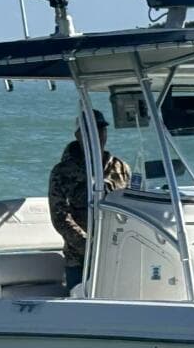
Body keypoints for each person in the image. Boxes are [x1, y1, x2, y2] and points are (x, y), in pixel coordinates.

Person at [47, 109, 131, 290]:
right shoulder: (62, 172)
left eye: (101, 129)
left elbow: (131, 208)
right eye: (90, 129)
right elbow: (60, 218)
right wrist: (91, 247)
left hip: (117, 255)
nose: (98, 134)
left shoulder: (121, 167)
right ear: (78, 135)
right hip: (80, 261)